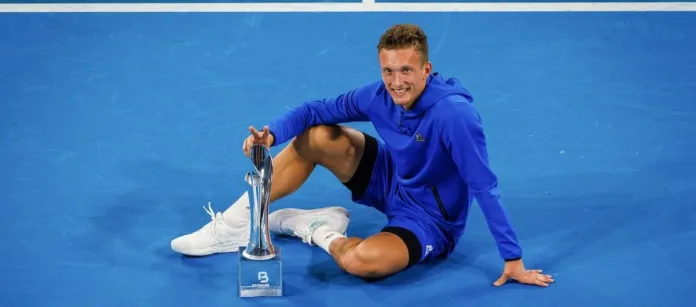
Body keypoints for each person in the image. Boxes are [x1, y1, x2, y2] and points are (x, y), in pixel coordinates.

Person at [171, 23, 553, 288]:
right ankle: (239, 222)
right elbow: (314, 111)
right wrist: (272, 134)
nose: (397, 82)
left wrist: (512, 258)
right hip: (391, 180)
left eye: (406, 70)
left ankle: (314, 228)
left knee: (360, 262)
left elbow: (484, 186)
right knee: (319, 136)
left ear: (427, 69)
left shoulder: (454, 116)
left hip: (430, 220)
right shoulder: (379, 94)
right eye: (388, 71)